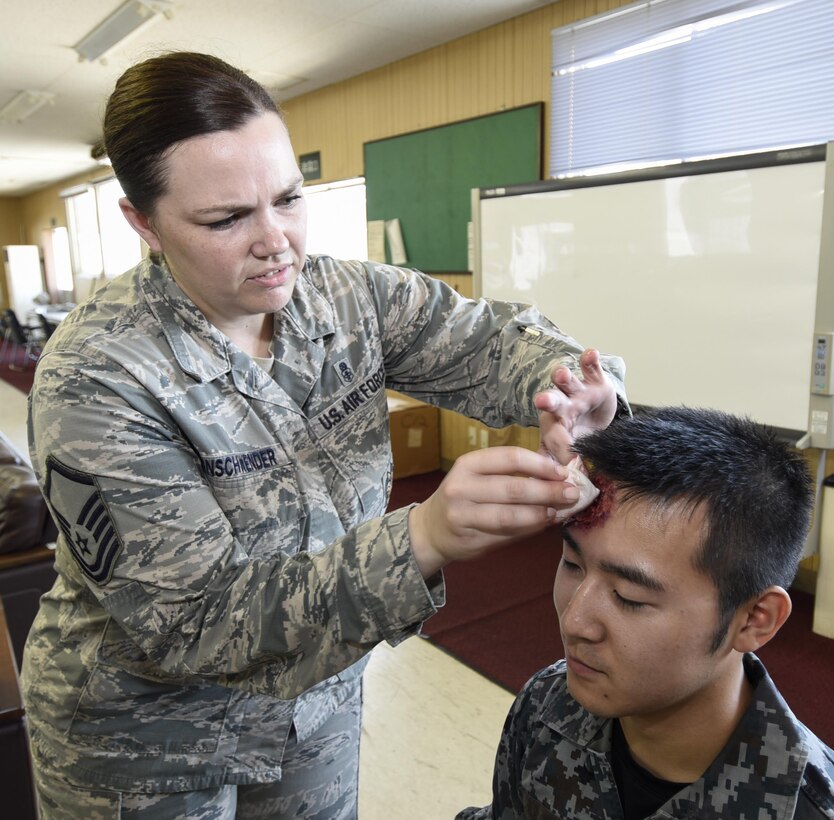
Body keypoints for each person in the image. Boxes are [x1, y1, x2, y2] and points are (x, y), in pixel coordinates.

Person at [22, 51, 627, 818]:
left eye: (288, 199)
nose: (277, 242)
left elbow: (487, 340)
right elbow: (194, 621)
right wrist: (424, 536)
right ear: (142, 222)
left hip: (313, 703)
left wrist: (577, 393)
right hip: (144, 738)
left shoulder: (346, 297)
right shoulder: (98, 374)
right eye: (227, 219)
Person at [457, 406, 834, 820]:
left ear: (754, 619)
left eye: (629, 596)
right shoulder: (548, 704)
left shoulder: (807, 807)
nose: (574, 622)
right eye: (571, 564)